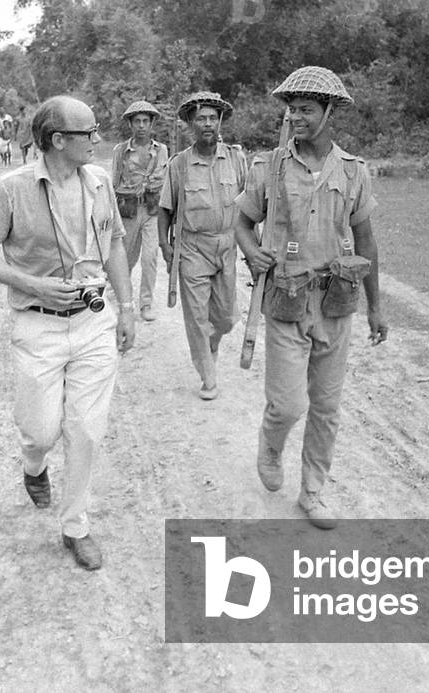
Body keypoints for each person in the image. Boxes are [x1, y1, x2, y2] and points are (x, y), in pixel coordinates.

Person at [0, 95, 136, 571]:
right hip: (38, 324)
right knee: (41, 429)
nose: (98, 140)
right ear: (58, 140)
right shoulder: (12, 189)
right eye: (89, 133)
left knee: (85, 428)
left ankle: (75, 525)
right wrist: (30, 282)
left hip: (93, 323)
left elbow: (117, 244)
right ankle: (33, 464)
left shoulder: (100, 182)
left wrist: (125, 310)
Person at [234, 66, 387, 529]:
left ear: (329, 112)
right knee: (288, 405)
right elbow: (242, 222)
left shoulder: (353, 171)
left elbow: (367, 241)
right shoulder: (270, 166)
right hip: (286, 300)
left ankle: (313, 492)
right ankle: (271, 443)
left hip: (337, 304)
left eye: (305, 110)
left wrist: (376, 306)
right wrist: (252, 251)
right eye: (291, 109)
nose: (295, 117)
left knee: (326, 407)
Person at [157, 91, 246, 400]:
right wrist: (164, 246)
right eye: (201, 119)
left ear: (220, 122)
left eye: (213, 118)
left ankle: (213, 342)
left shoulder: (236, 158)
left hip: (227, 245)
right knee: (197, 317)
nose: (208, 124)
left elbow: (250, 206)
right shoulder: (179, 164)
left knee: (224, 318)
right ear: (190, 125)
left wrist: (254, 246)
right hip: (192, 248)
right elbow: (165, 209)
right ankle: (208, 376)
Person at [111, 100, 169, 322]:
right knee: (126, 258)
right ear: (130, 125)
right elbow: (113, 183)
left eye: (146, 121)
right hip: (129, 211)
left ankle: (146, 304)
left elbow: (167, 184)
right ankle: (124, 302)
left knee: (150, 257)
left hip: (153, 211)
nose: (142, 126)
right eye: (137, 121)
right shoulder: (120, 151)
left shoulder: (162, 150)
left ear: (152, 123)